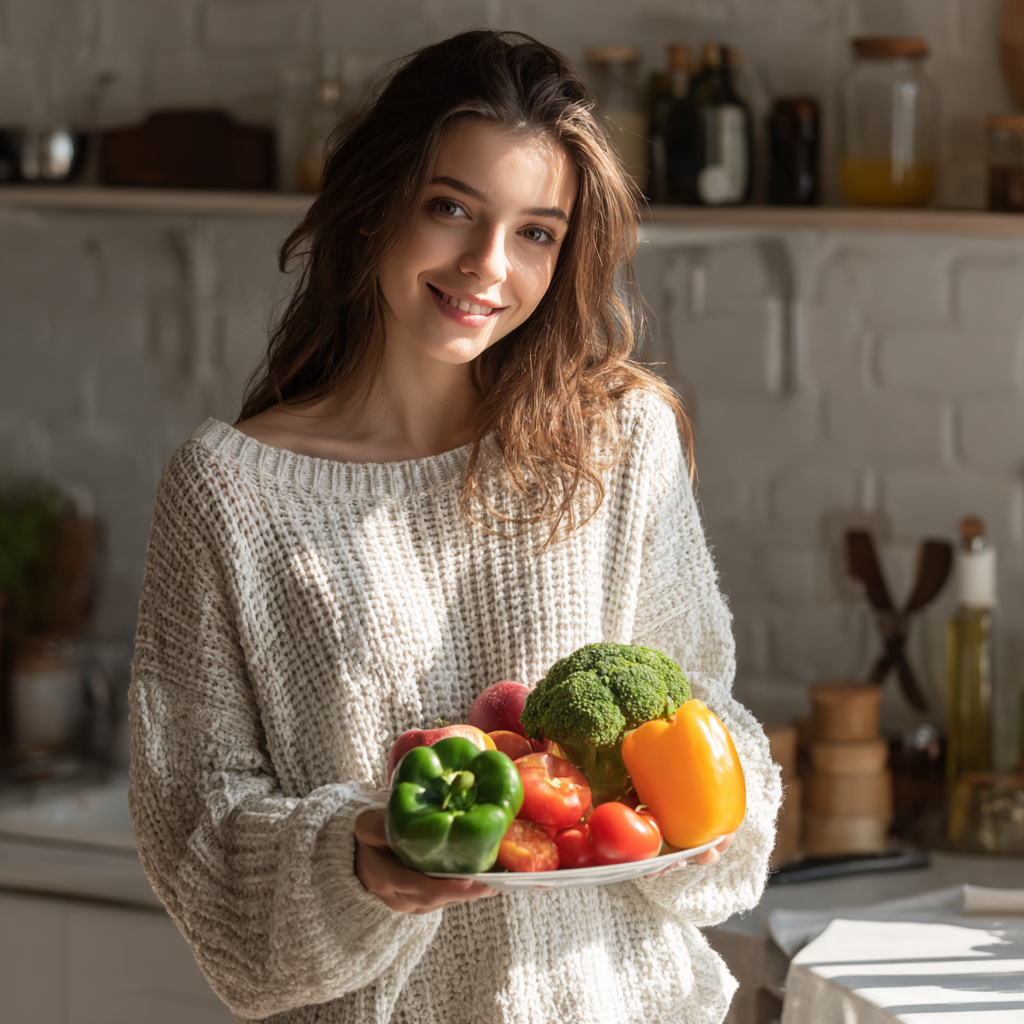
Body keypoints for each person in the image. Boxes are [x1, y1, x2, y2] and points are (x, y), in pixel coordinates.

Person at [128, 29, 780, 1024]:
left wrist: (714, 794)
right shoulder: (227, 491)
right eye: (451, 209)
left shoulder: (619, 436)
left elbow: (698, 712)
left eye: (535, 232)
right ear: (374, 204)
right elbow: (194, 828)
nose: (486, 265)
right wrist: (355, 858)